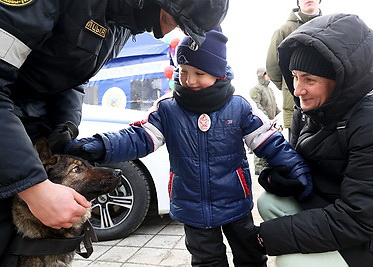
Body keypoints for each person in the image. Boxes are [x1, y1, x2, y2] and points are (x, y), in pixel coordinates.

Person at [0, 0, 230, 262]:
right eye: (172, 20)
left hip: (35, 134)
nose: (167, 33)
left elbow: (73, 79)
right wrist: (35, 188)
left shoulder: (123, 23)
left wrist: (66, 125)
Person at [65, 28, 313, 267]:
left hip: (235, 202)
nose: (189, 80)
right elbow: (138, 137)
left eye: (199, 72)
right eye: (183, 70)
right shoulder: (168, 108)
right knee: (206, 260)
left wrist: (296, 171)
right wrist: (98, 146)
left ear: (218, 73)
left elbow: (271, 143)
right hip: (191, 205)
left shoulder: (239, 106)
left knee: (249, 254)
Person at [254, 13, 373, 267]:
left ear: (342, 80)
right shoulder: (308, 112)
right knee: (269, 201)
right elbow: (303, 170)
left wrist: (263, 238)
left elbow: (360, 218)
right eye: (295, 76)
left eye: (310, 79)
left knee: (289, 262)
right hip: (336, 210)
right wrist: (282, 177)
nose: (298, 90)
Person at [266, 0, 321, 141]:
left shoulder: (330, 27)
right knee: (298, 152)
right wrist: (290, 87)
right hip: (295, 107)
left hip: (326, 107)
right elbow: (272, 67)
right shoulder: (284, 31)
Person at [249, 67, 280, 175]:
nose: (269, 76)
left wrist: (279, 114)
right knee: (260, 144)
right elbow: (256, 105)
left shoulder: (270, 90)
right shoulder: (256, 89)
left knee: (270, 143)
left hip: (272, 122)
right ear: (261, 75)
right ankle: (259, 169)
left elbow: (274, 105)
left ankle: (267, 166)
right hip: (261, 122)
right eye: (267, 74)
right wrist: (266, 118)